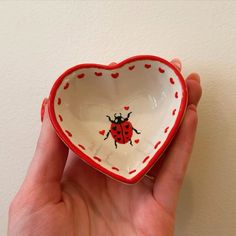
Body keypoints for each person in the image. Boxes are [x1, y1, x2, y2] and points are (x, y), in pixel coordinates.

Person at [8, 59, 202, 236]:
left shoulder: (117, 125)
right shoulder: (122, 124)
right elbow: (125, 127)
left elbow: (120, 129)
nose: (120, 119)